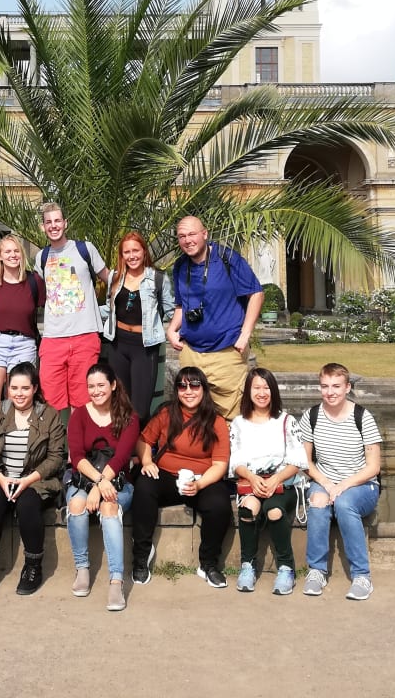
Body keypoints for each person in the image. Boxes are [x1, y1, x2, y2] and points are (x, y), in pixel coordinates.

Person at [130, 365, 233, 589]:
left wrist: (200, 484)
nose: (189, 391)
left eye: (194, 385)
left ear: (203, 389)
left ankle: (208, 563)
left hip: (202, 478)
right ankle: (141, 555)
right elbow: (144, 441)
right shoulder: (167, 413)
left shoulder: (216, 421)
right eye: (182, 386)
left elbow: (220, 464)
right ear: (176, 390)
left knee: (219, 504)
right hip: (166, 475)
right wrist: (147, 462)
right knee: (144, 486)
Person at [0, 362, 66, 596]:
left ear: (35, 388)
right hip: (1, 476)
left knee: (28, 506)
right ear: (8, 389)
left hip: (35, 480)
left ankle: (33, 567)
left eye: (25, 388)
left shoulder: (49, 415)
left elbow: (56, 457)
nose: (19, 393)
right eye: (14, 388)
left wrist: (28, 480)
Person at [299, 362, 383, 601]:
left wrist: (343, 485)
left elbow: (373, 467)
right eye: (325, 386)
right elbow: (306, 462)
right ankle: (317, 570)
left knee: (345, 504)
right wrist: (326, 484)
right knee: (317, 501)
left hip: (361, 484)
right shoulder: (311, 416)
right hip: (325, 480)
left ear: (347, 387)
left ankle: (361, 576)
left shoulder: (362, 417)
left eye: (336, 386)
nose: (330, 392)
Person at [166, 216, 263, 417]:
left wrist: (245, 334)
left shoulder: (228, 258)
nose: (187, 240)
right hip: (191, 353)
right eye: (182, 236)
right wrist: (172, 329)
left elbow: (256, 293)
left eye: (192, 234)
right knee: (192, 418)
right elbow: (181, 304)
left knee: (231, 418)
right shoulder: (180, 266)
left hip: (226, 353)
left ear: (205, 234)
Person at [65, 361, 140, 611]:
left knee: (109, 508)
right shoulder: (79, 414)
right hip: (85, 478)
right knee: (76, 503)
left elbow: (120, 458)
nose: (96, 391)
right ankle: (82, 567)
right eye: (91, 386)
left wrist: (100, 487)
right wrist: (96, 482)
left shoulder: (129, 416)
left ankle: (116, 581)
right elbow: (76, 456)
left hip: (118, 480)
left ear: (113, 385)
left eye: (101, 385)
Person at [228, 367, 306, 595]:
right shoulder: (239, 423)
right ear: (248, 392)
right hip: (252, 483)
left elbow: (298, 460)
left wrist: (276, 479)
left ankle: (285, 567)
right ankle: (247, 565)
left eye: (266, 387)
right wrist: (252, 478)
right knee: (248, 508)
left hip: (283, 484)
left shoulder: (286, 420)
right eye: (256, 388)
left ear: (273, 390)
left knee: (274, 511)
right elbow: (237, 461)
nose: (262, 393)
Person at [35, 201, 110, 411]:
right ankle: (57, 445)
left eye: (57, 220)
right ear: (43, 226)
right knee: (51, 402)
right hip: (53, 339)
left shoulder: (84, 249)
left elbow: (111, 279)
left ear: (65, 223)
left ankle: (78, 445)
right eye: (48, 222)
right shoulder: (40, 257)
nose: (53, 225)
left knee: (83, 402)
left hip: (84, 336)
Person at [100, 230, 175, 422]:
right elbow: (109, 309)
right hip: (118, 344)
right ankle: (122, 449)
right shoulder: (115, 278)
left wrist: (185, 330)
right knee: (119, 404)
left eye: (136, 250)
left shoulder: (158, 278)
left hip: (145, 347)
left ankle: (141, 449)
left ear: (144, 252)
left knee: (140, 409)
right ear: (122, 255)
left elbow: (171, 310)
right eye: (127, 252)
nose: (132, 256)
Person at [0, 233, 44, 416]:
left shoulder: (34, 281)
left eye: (16, 251)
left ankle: (16, 444)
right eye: (7, 251)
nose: (12, 255)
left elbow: (52, 307)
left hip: (24, 345)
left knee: (19, 405)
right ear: (0, 255)